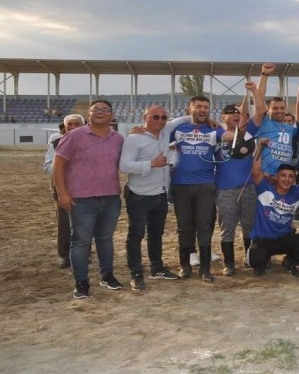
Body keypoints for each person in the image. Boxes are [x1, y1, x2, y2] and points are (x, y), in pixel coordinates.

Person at [54, 100, 124, 299]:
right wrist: (62, 193)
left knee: (105, 240)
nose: (100, 112)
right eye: (96, 109)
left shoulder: (118, 139)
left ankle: (107, 276)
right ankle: (81, 282)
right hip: (81, 199)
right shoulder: (74, 136)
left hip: (110, 197)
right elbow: (58, 164)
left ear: (111, 115)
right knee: (81, 242)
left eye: (105, 109)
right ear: (89, 114)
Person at [119, 106, 190, 290]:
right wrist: (151, 164)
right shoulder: (134, 139)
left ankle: (157, 268)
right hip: (139, 195)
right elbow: (124, 166)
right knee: (136, 235)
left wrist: (210, 121)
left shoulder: (166, 130)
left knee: (156, 234)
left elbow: (186, 118)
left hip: (160, 193)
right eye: (155, 117)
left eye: (163, 117)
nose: (160, 120)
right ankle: (136, 274)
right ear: (145, 117)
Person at [171, 95, 227, 282]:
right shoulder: (179, 128)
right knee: (184, 228)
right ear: (190, 109)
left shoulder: (214, 129)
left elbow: (231, 136)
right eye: (199, 106)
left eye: (206, 107)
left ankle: (205, 269)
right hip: (181, 185)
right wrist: (140, 130)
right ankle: (185, 266)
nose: (203, 110)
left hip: (205, 185)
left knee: (204, 228)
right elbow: (158, 134)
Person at [248, 145, 299, 277]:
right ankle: (264, 259)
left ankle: (289, 261)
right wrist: (259, 147)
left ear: (294, 179)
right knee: (255, 262)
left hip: (285, 239)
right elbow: (256, 171)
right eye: (283, 175)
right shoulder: (265, 188)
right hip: (264, 240)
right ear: (276, 177)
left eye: (291, 176)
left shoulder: (297, 192)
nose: (287, 179)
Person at [214, 102, 258, 276]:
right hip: (225, 190)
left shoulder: (248, 134)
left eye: (239, 113)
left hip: (248, 187)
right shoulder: (217, 134)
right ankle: (229, 263)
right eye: (231, 113)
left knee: (249, 226)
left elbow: (260, 111)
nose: (236, 115)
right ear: (223, 117)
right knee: (227, 228)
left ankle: (249, 258)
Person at [43, 114, 85, 269]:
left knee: (85, 223)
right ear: (65, 128)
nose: (73, 127)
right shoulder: (57, 143)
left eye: (77, 124)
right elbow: (47, 166)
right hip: (63, 189)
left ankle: (84, 254)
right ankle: (65, 255)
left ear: (84, 125)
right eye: (70, 124)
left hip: (86, 188)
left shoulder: (90, 142)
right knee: (64, 223)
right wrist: (63, 167)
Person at [249, 63, 297, 175]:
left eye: (282, 108)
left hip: (285, 178)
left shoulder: (291, 129)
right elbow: (260, 98)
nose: (279, 111)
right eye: (275, 108)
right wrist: (264, 75)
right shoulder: (264, 122)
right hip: (266, 175)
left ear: (286, 109)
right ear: (268, 110)